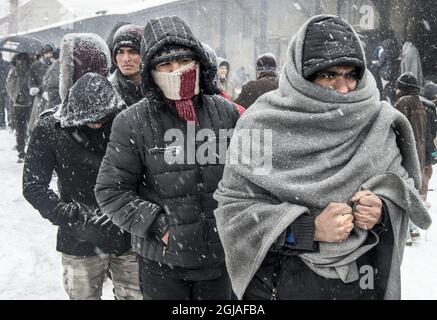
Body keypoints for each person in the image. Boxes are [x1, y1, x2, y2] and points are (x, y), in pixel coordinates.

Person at [213, 15, 431, 300]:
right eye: (329, 75)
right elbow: (235, 215)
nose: (343, 88)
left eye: (351, 74)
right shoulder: (262, 125)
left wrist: (380, 210)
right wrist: (307, 230)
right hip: (283, 285)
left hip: (361, 284)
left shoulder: (378, 123)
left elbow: (402, 191)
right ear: (302, 75)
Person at [95, 15, 240, 300]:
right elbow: (110, 191)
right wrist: (157, 225)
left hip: (220, 260)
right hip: (162, 262)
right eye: (166, 65)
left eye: (185, 62)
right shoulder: (132, 121)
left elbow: (247, 178)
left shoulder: (226, 113)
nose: (177, 71)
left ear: (199, 63)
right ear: (151, 71)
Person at [22, 33, 142, 300]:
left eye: (103, 119)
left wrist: (129, 212)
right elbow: (33, 185)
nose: (97, 125)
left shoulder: (125, 121)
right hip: (79, 238)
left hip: (126, 234)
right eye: (91, 121)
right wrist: (69, 214)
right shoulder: (50, 128)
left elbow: (144, 174)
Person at [5, 52, 32, 162]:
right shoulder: (14, 70)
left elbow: (9, 85)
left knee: (25, 128)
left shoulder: (28, 69)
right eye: (19, 60)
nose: (21, 62)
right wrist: (17, 94)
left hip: (25, 102)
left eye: (23, 59)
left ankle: (24, 150)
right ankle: (21, 151)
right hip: (20, 103)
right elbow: (9, 85)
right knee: (22, 128)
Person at [108, 24, 143, 106]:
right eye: (120, 52)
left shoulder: (160, 85)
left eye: (133, 52)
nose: (126, 59)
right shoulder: (107, 91)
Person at [28, 42, 55, 134]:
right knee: (37, 120)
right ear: (43, 53)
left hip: (53, 98)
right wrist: (38, 90)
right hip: (39, 98)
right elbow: (31, 81)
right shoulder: (35, 65)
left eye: (50, 52)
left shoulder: (56, 65)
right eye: (46, 53)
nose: (48, 55)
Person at [0, 51, 11, 129]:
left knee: (7, 106)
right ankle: (3, 122)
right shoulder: (7, 64)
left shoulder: (7, 64)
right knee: (4, 106)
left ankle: (5, 123)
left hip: (5, 87)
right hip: (4, 87)